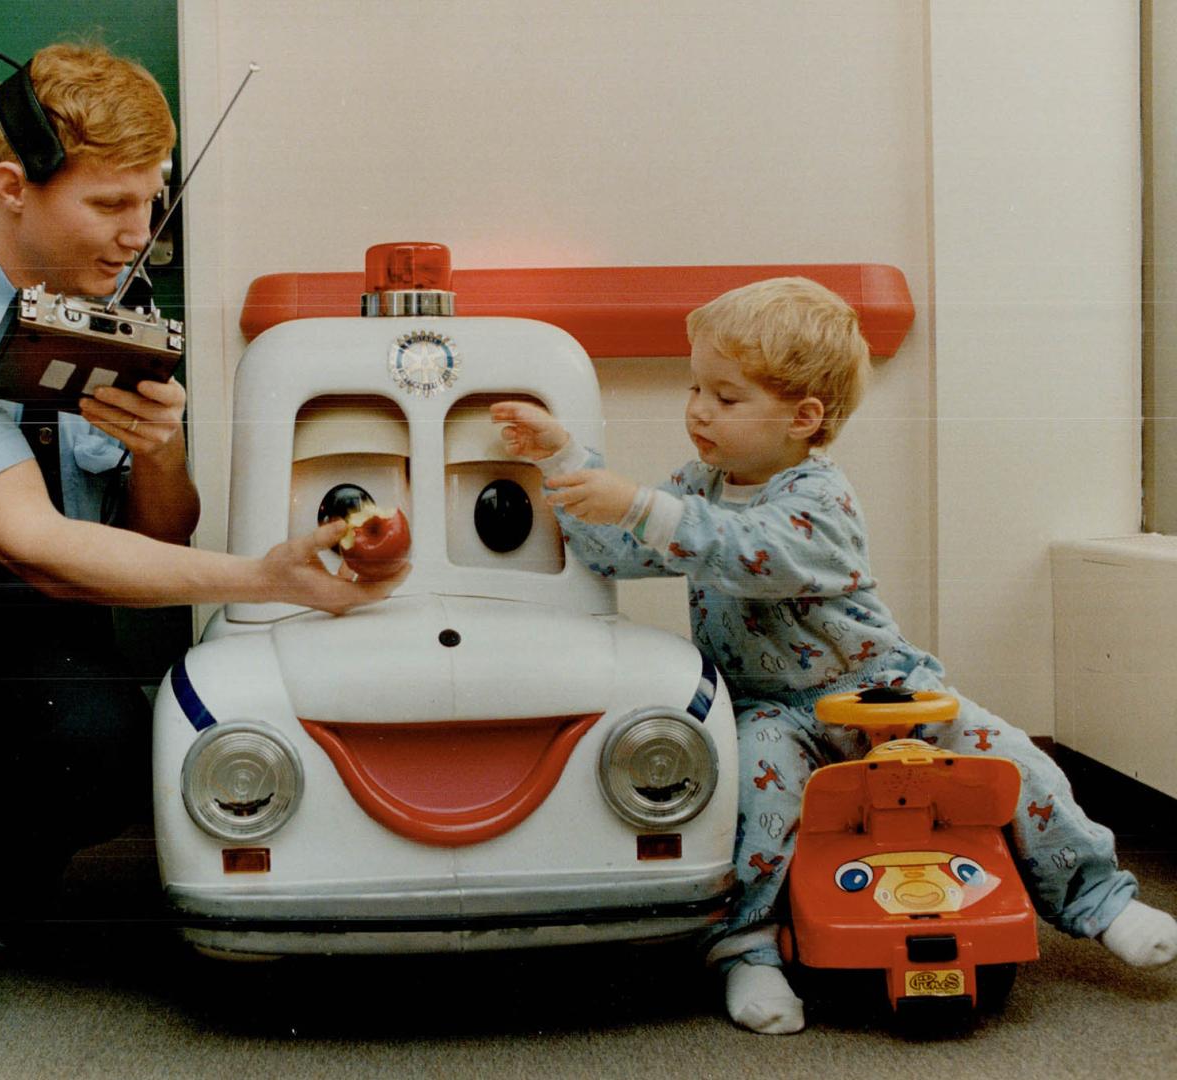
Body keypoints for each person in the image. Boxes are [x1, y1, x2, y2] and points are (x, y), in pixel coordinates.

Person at [0, 41, 400, 1051]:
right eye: (109, 205)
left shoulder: (119, 315)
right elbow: (34, 541)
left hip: (26, 643)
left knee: (109, 742)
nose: (138, 235)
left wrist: (160, 451)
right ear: (11, 185)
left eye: (151, 201)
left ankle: (5, 877)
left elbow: (155, 537)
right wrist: (266, 576)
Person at [490, 276, 1177, 1035]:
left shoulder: (821, 497)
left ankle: (1098, 899)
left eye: (725, 395)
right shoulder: (698, 487)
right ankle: (746, 949)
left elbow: (755, 554)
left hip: (885, 688)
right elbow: (615, 549)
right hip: (773, 711)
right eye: (695, 386)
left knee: (1017, 765)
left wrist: (644, 507)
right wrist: (561, 461)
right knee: (755, 803)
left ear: (802, 416)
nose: (696, 408)